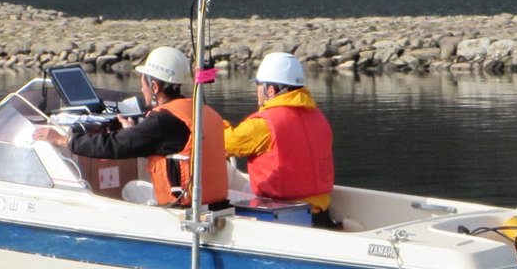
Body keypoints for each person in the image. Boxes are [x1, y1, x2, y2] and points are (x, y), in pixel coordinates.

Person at [34, 46, 228, 206]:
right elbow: (165, 145)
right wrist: (130, 132)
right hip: (212, 203)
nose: (141, 88)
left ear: (154, 87)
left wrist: (64, 139)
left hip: (183, 207)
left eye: (143, 81)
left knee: (130, 189)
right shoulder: (202, 111)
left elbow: (115, 145)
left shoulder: (163, 120)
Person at [223, 52, 335, 227]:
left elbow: (225, 144)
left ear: (270, 90)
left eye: (259, 85)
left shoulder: (263, 124)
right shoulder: (319, 117)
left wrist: (212, 121)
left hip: (282, 215)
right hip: (320, 213)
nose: (257, 91)